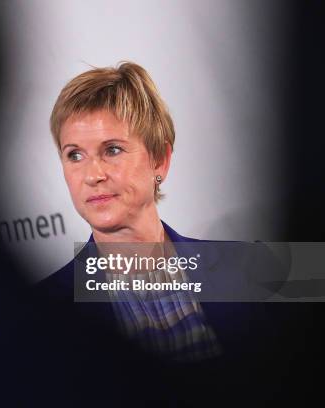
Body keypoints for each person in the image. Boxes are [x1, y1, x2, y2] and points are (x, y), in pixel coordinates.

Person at [37, 62, 284, 366]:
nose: (92, 174)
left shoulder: (253, 264)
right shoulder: (38, 310)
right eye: (74, 154)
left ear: (160, 161)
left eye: (112, 150)